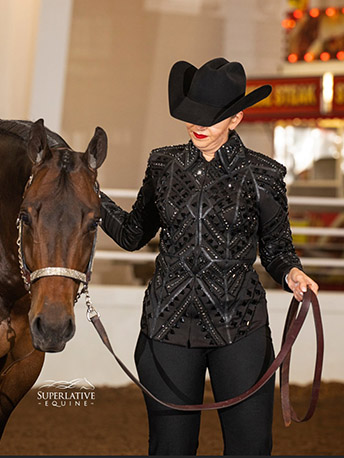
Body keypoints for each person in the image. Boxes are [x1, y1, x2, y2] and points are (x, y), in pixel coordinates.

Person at [99, 57, 319, 455]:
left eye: (210, 117)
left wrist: (292, 273)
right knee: (170, 449)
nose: (197, 125)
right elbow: (134, 235)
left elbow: (277, 248)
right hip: (166, 327)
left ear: (235, 118)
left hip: (240, 327)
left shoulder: (264, 174)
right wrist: (91, 198)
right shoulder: (162, 165)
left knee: (250, 447)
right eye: (191, 114)